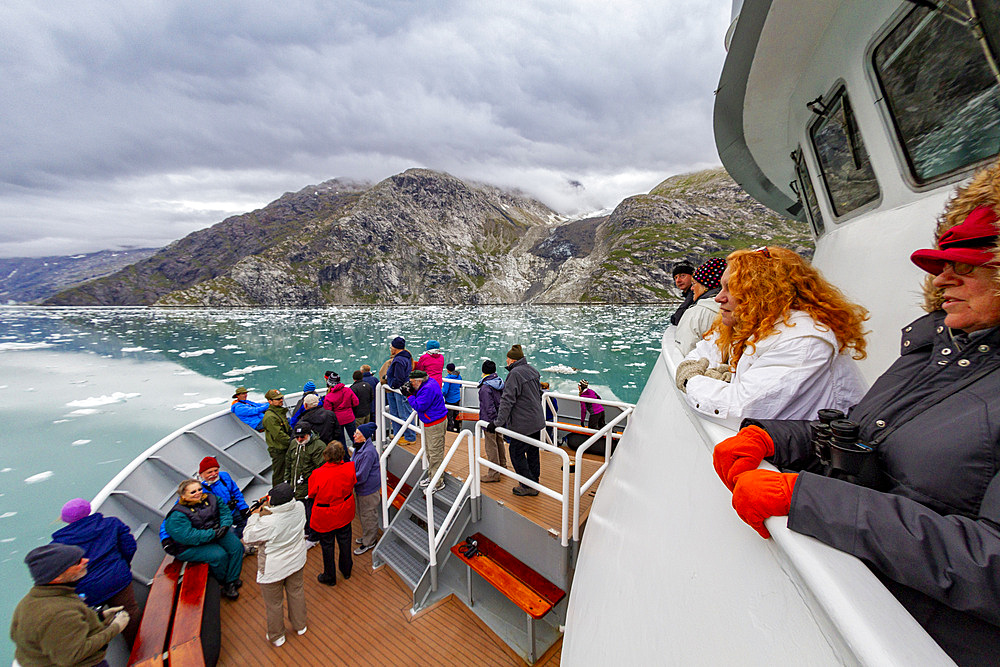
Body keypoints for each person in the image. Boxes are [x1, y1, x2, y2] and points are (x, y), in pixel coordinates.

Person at [713, 169, 1000, 666]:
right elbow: (866, 435)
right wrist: (773, 440)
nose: (943, 277)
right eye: (944, 262)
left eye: (970, 263)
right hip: (857, 594)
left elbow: (989, 566)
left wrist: (808, 497)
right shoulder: (935, 353)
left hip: (913, 642)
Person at [675, 247, 868, 429]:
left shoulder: (803, 341)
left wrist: (692, 380)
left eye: (730, 288)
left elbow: (740, 410)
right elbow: (704, 351)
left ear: (763, 291)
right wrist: (719, 377)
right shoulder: (757, 325)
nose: (718, 298)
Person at [11, 543, 130, 667]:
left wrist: (99, 617)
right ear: (57, 577)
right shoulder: (59, 613)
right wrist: (115, 628)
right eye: (77, 562)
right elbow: (73, 655)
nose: (86, 560)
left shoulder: (30, 600)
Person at [50, 498, 140, 647]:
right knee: (129, 612)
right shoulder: (111, 524)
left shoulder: (57, 545)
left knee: (92, 623)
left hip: (86, 590)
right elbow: (129, 546)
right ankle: (139, 650)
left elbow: (59, 573)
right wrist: (121, 566)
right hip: (117, 579)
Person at [241, 482, 308, 648]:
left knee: (274, 603)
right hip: (296, 560)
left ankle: (277, 636)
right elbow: (285, 514)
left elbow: (249, 537)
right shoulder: (299, 507)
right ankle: (300, 626)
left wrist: (255, 516)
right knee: (296, 592)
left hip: (273, 568)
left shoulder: (269, 522)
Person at [160, 479, 244, 599]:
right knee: (219, 555)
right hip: (187, 546)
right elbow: (188, 536)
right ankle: (225, 583)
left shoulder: (211, 499)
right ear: (183, 496)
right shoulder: (177, 515)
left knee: (236, 547)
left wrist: (225, 526)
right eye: (193, 492)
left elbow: (224, 512)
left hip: (213, 534)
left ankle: (231, 580)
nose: (198, 493)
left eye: (199, 489)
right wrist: (214, 534)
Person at [489, 344, 545, 497]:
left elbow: (507, 400)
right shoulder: (532, 370)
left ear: (512, 360)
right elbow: (539, 394)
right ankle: (534, 480)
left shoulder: (515, 374)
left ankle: (527, 485)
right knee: (533, 451)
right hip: (536, 420)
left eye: (507, 359)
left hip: (523, 423)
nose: (506, 361)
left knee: (516, 453)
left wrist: (497, 422)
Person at [308, 442, 356, 586]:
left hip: (326, 514)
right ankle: (346, 570)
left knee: (327, 545)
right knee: (345, 540)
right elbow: (353, 481)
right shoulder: (350, 467)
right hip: (344, 510)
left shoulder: (317, 474)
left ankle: (330, 576)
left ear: (326, 455)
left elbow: (311, 493)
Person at [405, 369, 448, 492]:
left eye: (412, 382)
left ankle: (437, 482)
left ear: (419, 381)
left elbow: (419, 406)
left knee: (435, 453)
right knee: (430, 451)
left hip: (435, 424)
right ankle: (432, 476)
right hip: (432, 422)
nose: (411, 384)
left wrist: (409, 395)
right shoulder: (428, 383)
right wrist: (413, 391)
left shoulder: (428, 389)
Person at [675, 257, 727, 354]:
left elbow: (684, 351)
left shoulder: (695, 313)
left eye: (694, 284)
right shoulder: (736, 309)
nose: (692, 288)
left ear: (705, 286)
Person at [286, 423, 326, 545]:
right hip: (296, 486)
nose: (299, 439)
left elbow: (321, 469)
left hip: (310, 488)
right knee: (301, 511)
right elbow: (289, 462)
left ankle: (314, 537)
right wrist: (287, 480)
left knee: (311, 513)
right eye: (297, 436)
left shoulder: (318, 446)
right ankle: (307, 530)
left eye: (302, 437)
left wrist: (309, 481)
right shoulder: (294, 444)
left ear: (309, 434)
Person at [198, 456, 250, 540]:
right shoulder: (198, 489)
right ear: (201, 474)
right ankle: (235, 543)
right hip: (219, 517)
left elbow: (236, 492)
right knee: (228, 534)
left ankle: (242, 540)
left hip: (233, 510)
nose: (214, 474)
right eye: (209, 472)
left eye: (216, 470)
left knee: (248, 522)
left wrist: (243, 507)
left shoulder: (224, 477)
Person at [352, 422, 381, 555]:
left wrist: (347, 479)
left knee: (368, 515)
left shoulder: (368, 452)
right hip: (361, 489)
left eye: (357, 434)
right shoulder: (360, 447)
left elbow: (362, 475)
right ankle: (367, 536)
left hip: (367, 490)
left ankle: (370, 541)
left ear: (364, 437)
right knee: (362, 513)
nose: (354, 435)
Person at [478, 361, 507, 482]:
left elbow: (488, 406)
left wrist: (491, 422)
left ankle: (494, 473)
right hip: (500, 419)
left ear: (483, 371)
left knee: (491, 446)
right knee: (499, 441)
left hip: (489, 421)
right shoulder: (500, 382)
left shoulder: (485, 388)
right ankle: (502, 466)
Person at [386, 337, 417, 442]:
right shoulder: (406, 357)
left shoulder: (399, 360)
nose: (390, 349)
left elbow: (399, 378)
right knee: (398, 413)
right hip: (399, 389)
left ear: (395, 348)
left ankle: (410, 437)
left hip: (399, 390)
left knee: (404, 413)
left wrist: (392, 384)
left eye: (391, 347)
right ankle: (399, 434)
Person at [323, 372, 360, 450]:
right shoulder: (348, 390)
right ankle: (361, 453)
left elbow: (328, 411)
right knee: (355, 438)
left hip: (338, 421)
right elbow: (356, 402)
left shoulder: (328, 397)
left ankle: (345, 459)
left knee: (341, 442)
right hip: (349, 417)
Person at [262, 389, 292, 484]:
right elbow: (279, 435)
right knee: (279, 473)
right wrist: (293, 442)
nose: (281, 400)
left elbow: (287, 429)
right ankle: (276, 493)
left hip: (284, 447)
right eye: (277, 399)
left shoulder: (279, 412)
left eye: (281, 398)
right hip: (278, 449)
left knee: (287, 470)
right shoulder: (270, 417)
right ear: (270, 401)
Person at [443, 362, 463, 432]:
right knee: (456, 416)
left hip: (449, 400)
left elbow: (445, 391)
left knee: (449, 417)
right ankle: (457, 429)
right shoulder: (459, 376)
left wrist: (443, 395)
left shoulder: (447, 379)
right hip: (457, 399)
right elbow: (460, 386)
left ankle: (450, 431)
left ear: (448, 370)